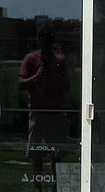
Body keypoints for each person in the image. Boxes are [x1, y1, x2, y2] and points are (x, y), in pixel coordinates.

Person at [18, 24, 71, 159]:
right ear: (39, 40)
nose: (46, 44)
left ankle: (56, 180)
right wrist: (36, 77)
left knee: (57, 153)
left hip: (56, 112)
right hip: (38, 111)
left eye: (49, 41)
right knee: (36, 153)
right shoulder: (30, 59)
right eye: (44, 40)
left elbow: (67, 85)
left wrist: (53, 73)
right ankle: (36, 179)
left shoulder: (59, 60)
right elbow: (20, 83)